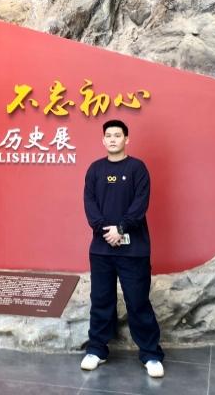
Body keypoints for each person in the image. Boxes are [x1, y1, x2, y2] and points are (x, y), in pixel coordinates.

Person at [80, 118, 165, 378]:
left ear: (127, 139)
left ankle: (150, 354)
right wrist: (106, 231)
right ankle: (97, 349)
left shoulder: (137, 168)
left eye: (118, 135)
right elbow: (90, 203)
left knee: (138, 301)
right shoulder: (95, 169)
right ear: (103, 140)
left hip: (134, 250)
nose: (113, 139)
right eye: (109, 135)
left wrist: (121, 228)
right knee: (101, 300)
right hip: (101, 249)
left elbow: (140, 204)